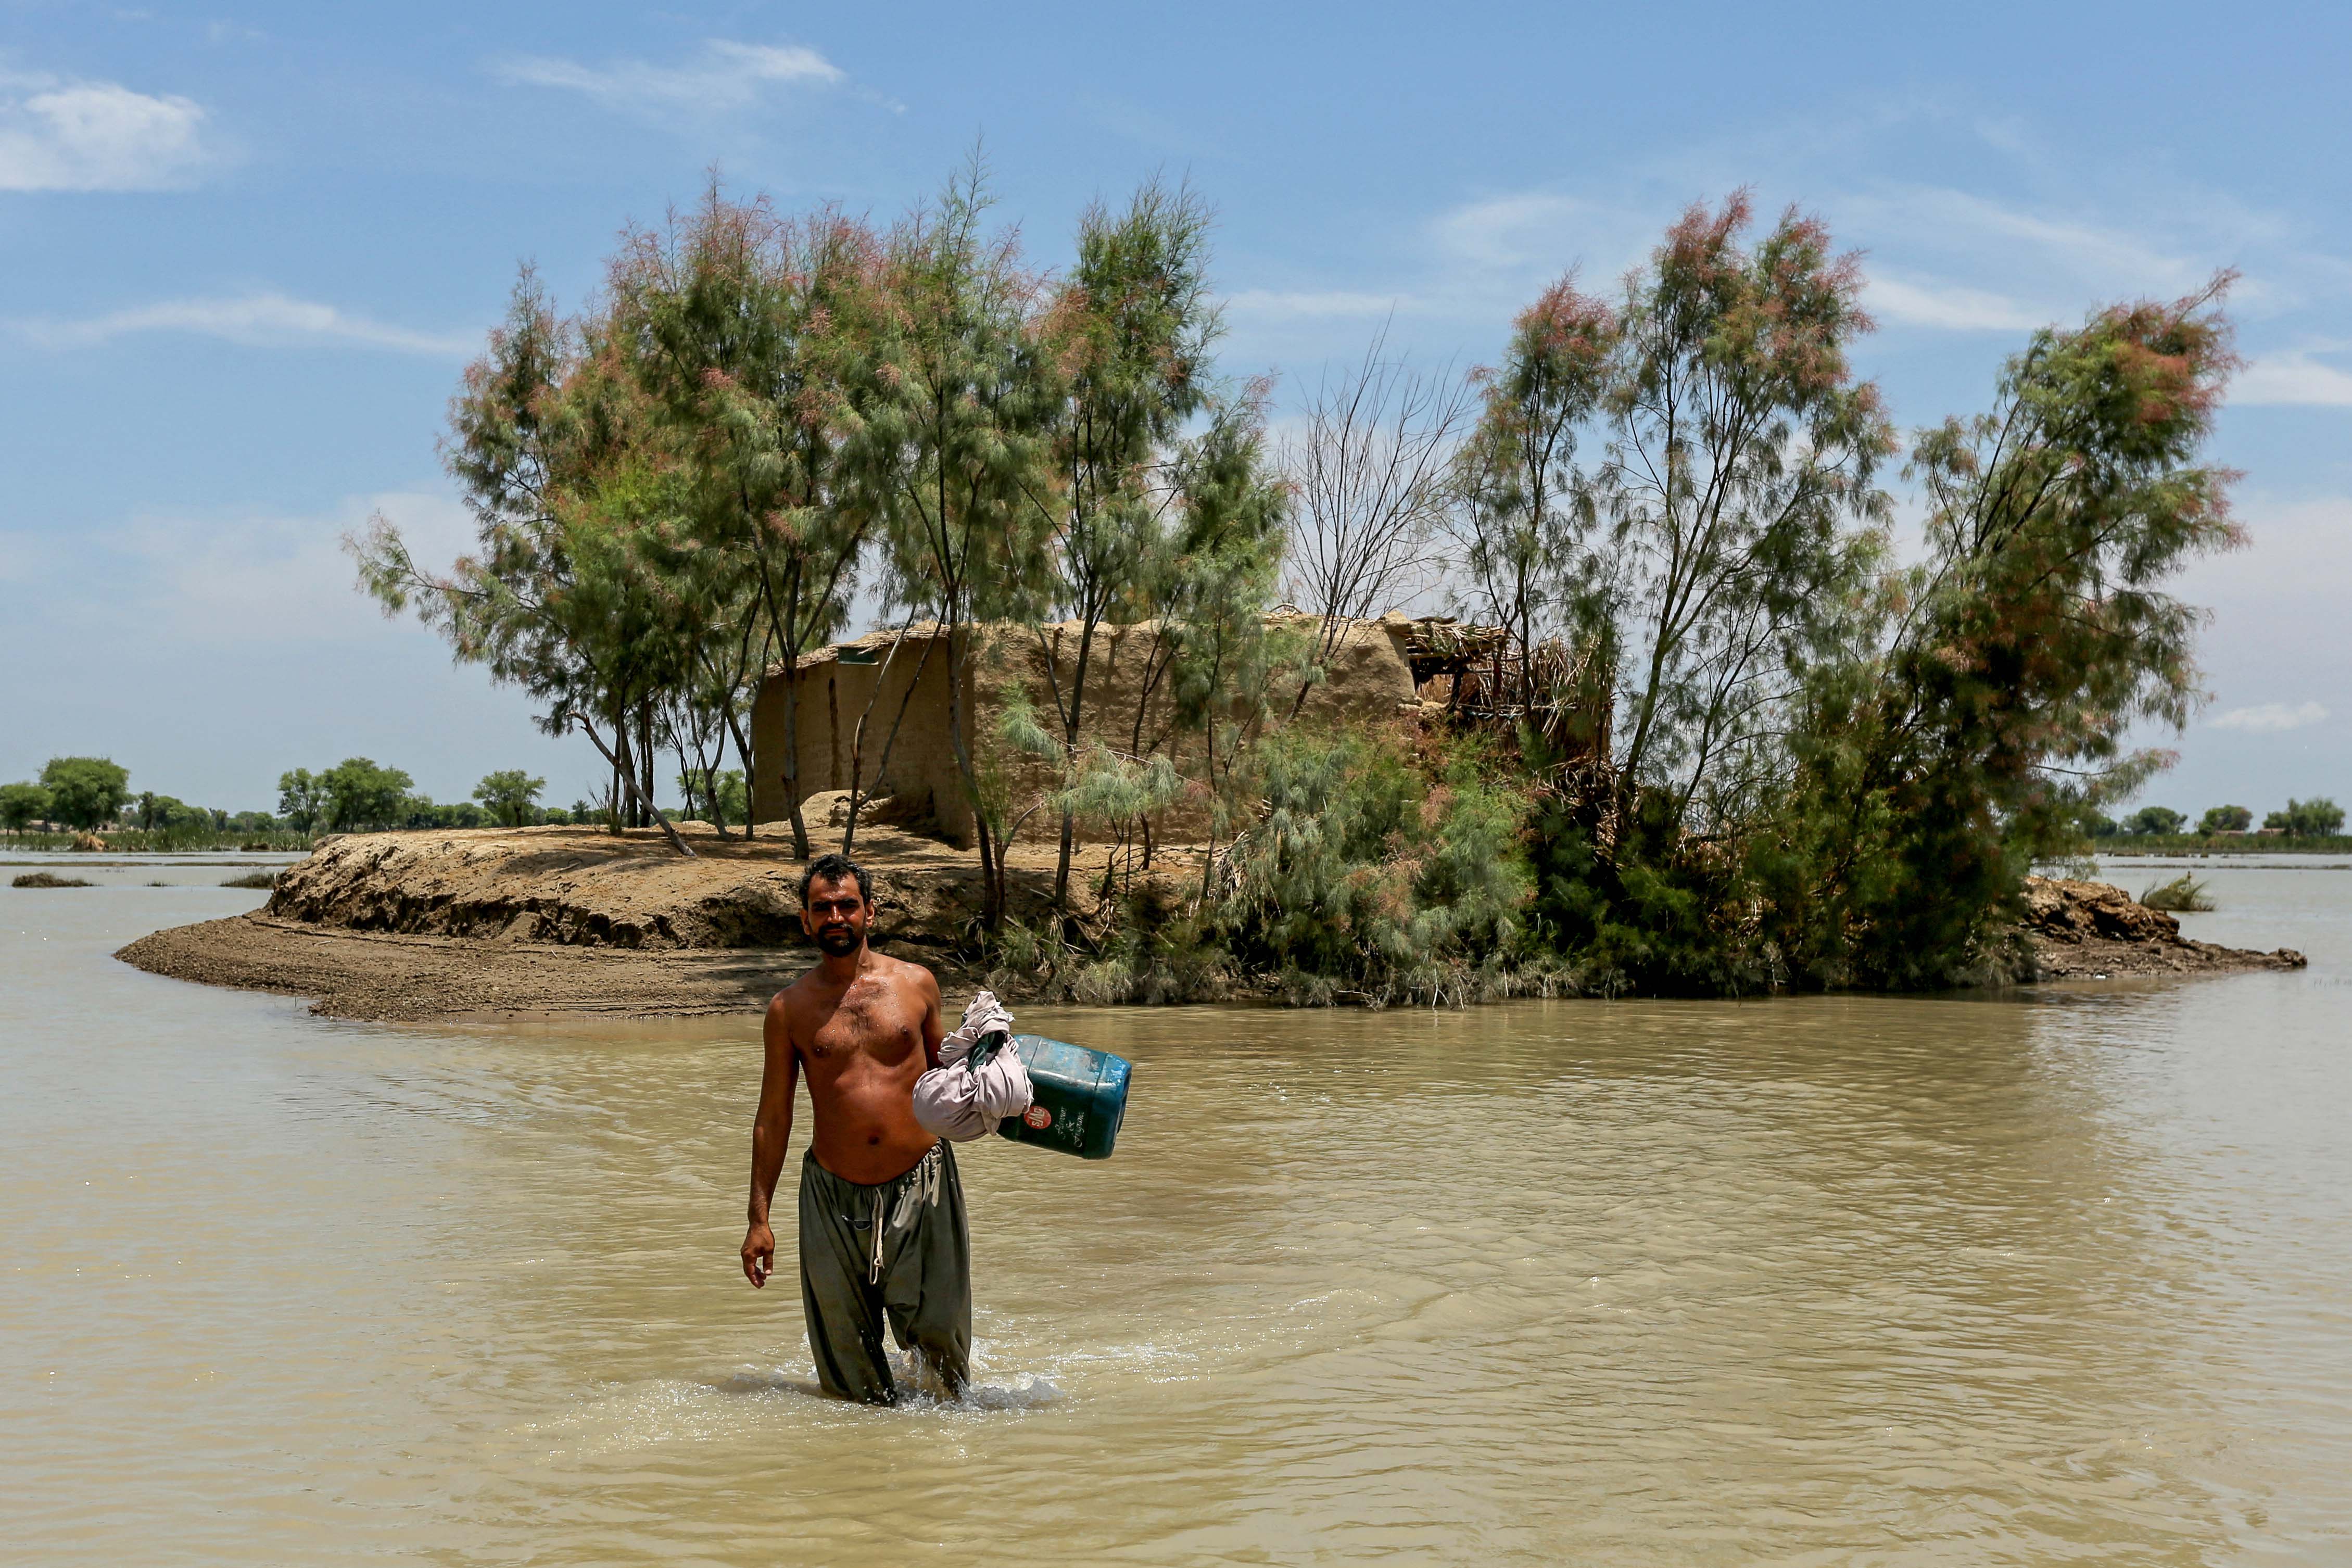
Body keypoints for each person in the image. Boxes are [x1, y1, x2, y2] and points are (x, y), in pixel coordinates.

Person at [738, 851, 1029, 1405]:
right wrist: (759, 1220)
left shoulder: (916, 985)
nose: (835, 917)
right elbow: (774, 1117)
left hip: (923, 1180)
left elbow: (953, 1080)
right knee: (848, 1371)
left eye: (847, 905)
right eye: (822, 908)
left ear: (871, 913)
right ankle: (862, 1476)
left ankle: (937, 1471)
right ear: (805, 920)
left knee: (943, 1351)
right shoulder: (789, 1009)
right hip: (831, 1195)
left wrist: (1006, 1080)